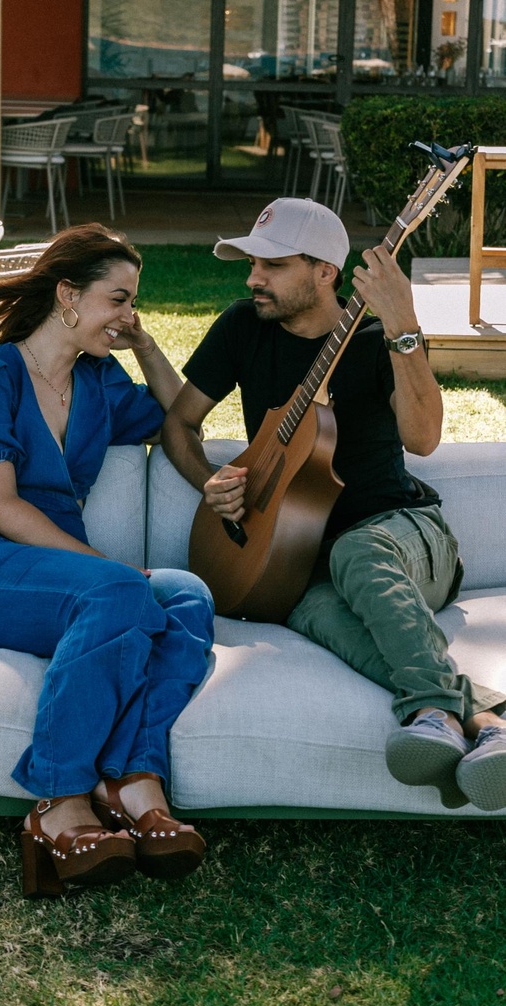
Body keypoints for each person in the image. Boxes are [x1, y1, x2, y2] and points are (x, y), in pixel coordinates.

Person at [162, 196, 506, 813]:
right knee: (322, 613)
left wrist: (405, 331)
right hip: (298, 567)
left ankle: (429, 712)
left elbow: (423, 438)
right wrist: (209, 480)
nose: (252, 278)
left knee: (358, 549)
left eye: (271, 265)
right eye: (251, 263)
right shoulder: (242, 327)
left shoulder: (377, 339)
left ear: (325, 272)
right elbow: (179, 425)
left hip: (405, 536)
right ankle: (486, 722)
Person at [0, 223, 215, 897]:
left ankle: (131, 776)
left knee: (186, 594)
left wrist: (143, 346)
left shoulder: (101, 384)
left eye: (132, 303)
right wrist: (104, 571)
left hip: (63, 575)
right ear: (67, 296)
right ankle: (58, 800)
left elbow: (181, 417)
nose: (128, 315)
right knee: (118, 592)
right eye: (118, 300)